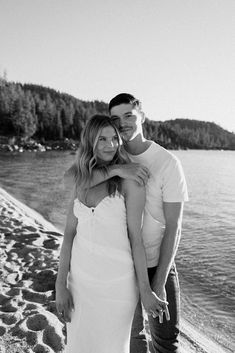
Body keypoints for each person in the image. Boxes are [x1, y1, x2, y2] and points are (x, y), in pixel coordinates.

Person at [81, 94, 188, 352]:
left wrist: (159, 280)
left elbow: (174, 226)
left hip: (157, 264)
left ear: (142, 116)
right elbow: (76, 181)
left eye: (128, 115)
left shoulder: (168, 163)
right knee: (132, 340)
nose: (123, 123)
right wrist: (118, 170)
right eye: (116, 118)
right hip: (120, 266)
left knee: (166, 339)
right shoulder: (110, 156)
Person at [55, 114, 168, 353]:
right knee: (78, 346)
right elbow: (68, 236)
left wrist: (146, 291)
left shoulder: (132, 181)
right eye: (102, 139)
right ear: (90, 143)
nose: (110, 145)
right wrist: (60, 285)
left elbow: (136, 240)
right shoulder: (80, 179)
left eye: (114, 138)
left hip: (118, 286)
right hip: (80, 283)